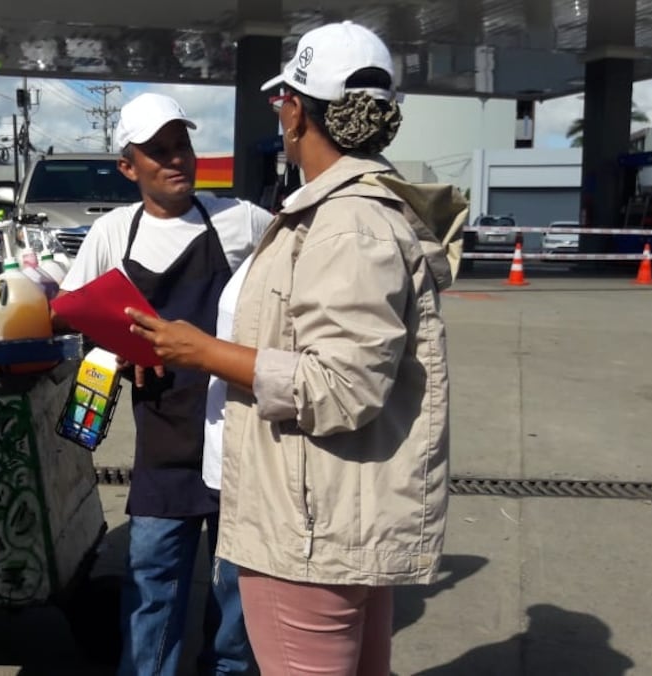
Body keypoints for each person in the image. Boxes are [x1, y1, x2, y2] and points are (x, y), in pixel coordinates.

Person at [126, 21, 456, 675]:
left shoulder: (345, 222)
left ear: (297, 110)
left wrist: (204, 352)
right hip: (332, 512)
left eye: (282, 103)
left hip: (310, 527)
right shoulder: (342, 209)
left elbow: (340, 386)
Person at [57, 92, 272, 676]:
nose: (177, 160)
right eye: (159, 151)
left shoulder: (242, 221)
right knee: (152, 590)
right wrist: (117, 352)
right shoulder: (111, 235)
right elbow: (75, 313)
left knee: (238, 599)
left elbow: (290, 299)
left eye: (182, 146)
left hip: (241, 444)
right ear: (129, 167)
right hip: (164, 446)